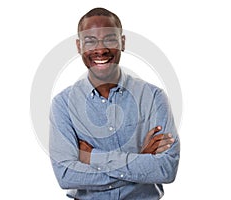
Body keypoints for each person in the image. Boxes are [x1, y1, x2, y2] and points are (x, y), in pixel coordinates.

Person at [49, 7, 180, 200]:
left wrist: (92, 157)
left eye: (110, 39)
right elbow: (66, 176)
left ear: (122, 42)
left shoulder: (153, 97)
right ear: (79, 47)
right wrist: (140, 161)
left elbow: (166, 168)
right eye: (90, 41)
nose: (100, 49)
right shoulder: (63, 104)